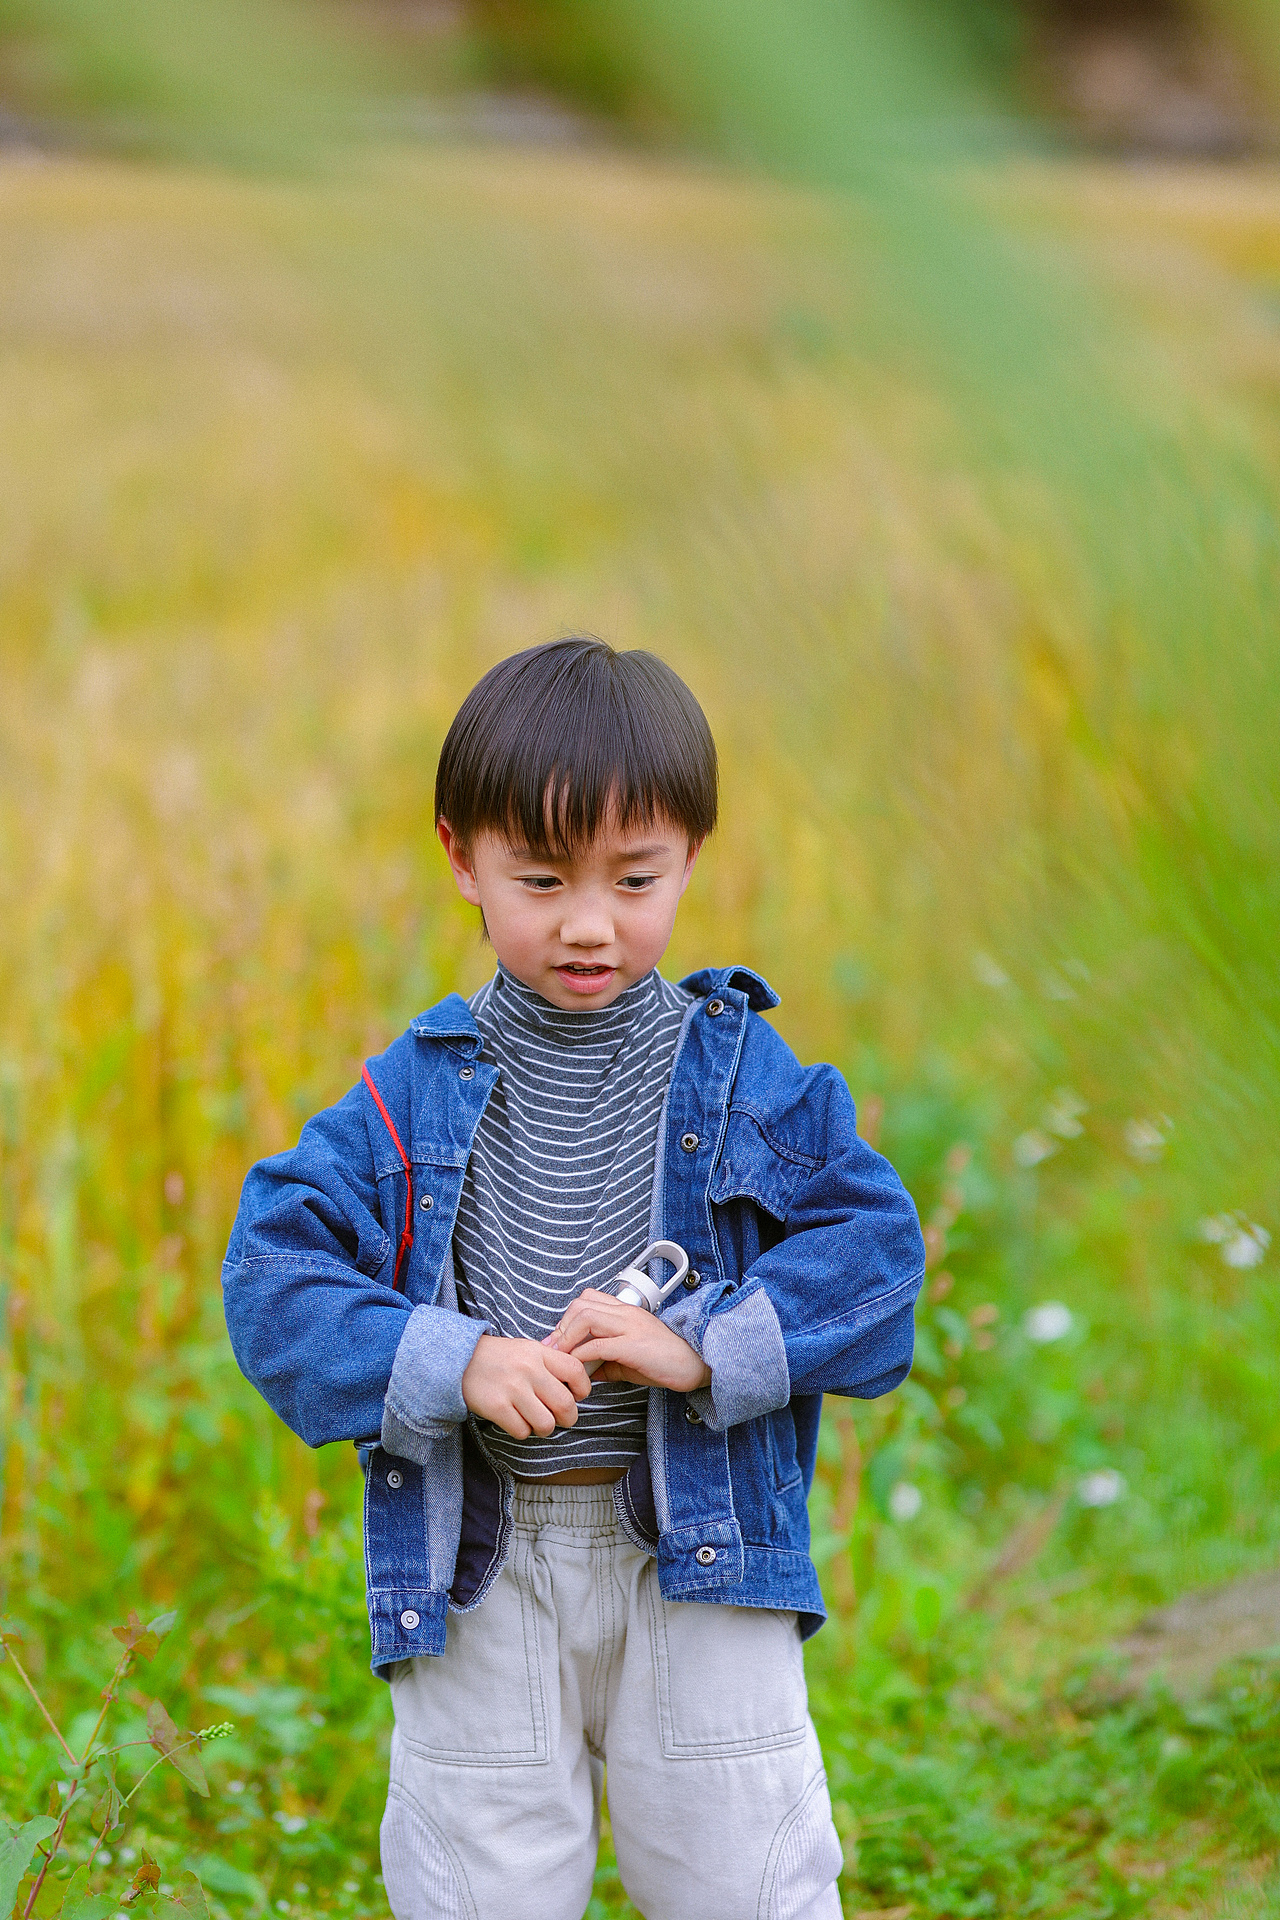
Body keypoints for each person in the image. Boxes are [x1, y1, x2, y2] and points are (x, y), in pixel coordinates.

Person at [223, 636, 925, 1920]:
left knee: (745, 1883)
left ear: (691, 858)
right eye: (539, 879)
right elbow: (272, 1274)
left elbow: (876, 1261)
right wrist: (452, 1361)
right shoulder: (409, 1092)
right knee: (476, 1890)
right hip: (484, 1568)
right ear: (459, 859)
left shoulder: (738, 1075)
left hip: (695, 1566)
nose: (589, 923)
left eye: (635, 878)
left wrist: (708, 1344)